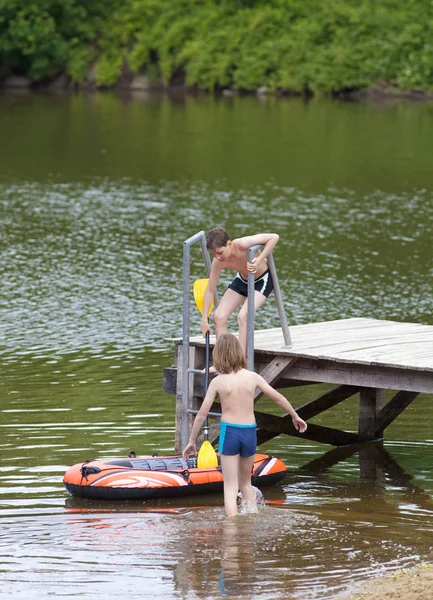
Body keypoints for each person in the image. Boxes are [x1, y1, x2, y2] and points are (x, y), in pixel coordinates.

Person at [182, 333, 307, 517]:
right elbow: (278, 398)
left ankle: (232, 532)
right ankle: (252, 519)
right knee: (246, 484)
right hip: (249, 433)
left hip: (230, 433)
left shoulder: (218, 382)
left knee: (230, 488)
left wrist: (192, 441)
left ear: (218, 356)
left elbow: (201, 415)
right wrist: (295, 416)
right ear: (239, 353)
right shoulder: (252, 377)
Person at [200, 228, 279, 358]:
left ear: (230, 244)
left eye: (219, 252)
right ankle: (224, 362)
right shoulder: (218, 262)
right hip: (242, 280)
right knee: (218, 317)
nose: (217, 257)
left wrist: (259, 259)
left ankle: (241, 362)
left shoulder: (243, 244)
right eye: (213, 255)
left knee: (243, 316)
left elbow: (274, 237)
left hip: (261, 280)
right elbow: (210, 289)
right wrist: (204, 319)